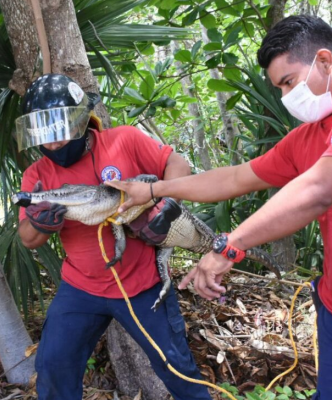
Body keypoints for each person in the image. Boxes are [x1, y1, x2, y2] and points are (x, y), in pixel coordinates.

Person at [106, 15, 332, 400]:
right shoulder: (308, 138)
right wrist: (154, 189)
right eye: (279, 88)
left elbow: (320, 189)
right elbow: (236, 178)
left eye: (289, 82)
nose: (286, 96)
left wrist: (229, 245)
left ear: (324, 62)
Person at [16, 73, 212, 400]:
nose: (52, 144)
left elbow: (177, 163)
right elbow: (27, 238)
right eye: (43, 135)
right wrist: (41, 223)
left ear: (80, 121)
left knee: (176, 368)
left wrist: (166, 203)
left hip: (142, 284)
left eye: (59, 132)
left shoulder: (125, 140)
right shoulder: (37, 176)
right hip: (81, 287)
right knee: (53, 368)